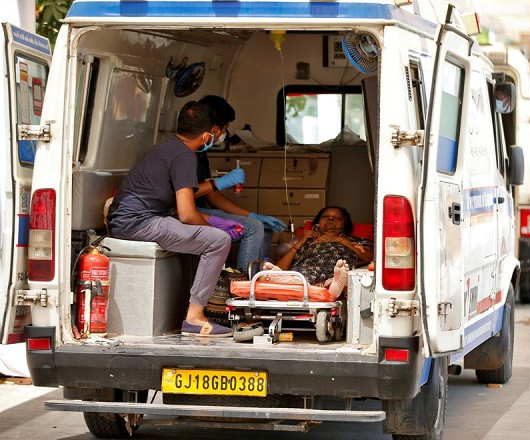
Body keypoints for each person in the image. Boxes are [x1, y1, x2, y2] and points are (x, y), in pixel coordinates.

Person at [107, 101, 243, 338]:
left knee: (211, 237)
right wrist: (212, 230)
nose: (219, 136)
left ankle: (194, 308)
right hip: (139, 222)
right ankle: (194, 318)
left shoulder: (168, 147)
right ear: (206, 135)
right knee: (218, 241)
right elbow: (187, 214)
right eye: (218, 132)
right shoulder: (184, 156)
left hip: (132, 219)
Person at [195, 95, 287, 272]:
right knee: (253, 228)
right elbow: (184, 195)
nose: (224, 134)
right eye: (225, 128)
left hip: (202, 209)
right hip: (189, 212)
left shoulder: (200, 153)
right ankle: (242, 283)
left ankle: (258, 279)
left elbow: (211, 196)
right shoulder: (186, 153)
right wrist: (220, 183)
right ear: (214, 128)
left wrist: (252, 214)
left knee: (264, 229)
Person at [263, 206, 373, 299]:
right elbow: (280, 267)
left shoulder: (356, 240)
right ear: (318, 223)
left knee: (337, 271)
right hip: (301, 271)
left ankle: (298, 284)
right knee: (275, 274)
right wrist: (300, 243)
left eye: (336, 218)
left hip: (334, 272)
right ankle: (296, 282)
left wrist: (341, 240)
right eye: (326, 216)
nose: (330, 219)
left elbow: (370, 257)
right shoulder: (306, 241)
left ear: (345, 224)